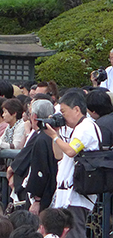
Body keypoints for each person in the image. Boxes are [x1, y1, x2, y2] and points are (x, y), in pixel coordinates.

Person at [43, 90, 101, 238]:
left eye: (63, 112)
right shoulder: (76, 129)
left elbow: (70, 151)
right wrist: (56, 134)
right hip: (66, 191)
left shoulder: (86, 127)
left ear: (76, 109)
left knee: (74, 232)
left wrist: (55, 137)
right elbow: (59, 155)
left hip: (78, 193)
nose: (62, 116)